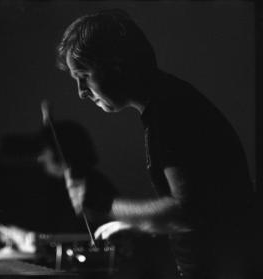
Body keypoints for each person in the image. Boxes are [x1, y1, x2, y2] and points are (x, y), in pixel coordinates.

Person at [56, 9, 256, 279]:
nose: (81, 92)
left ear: (116, 64)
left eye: (83, 75)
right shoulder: (165, 104)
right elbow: (200, 206)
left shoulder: (171, 112)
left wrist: (103, 204)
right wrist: (136, 224)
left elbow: (187, 211)